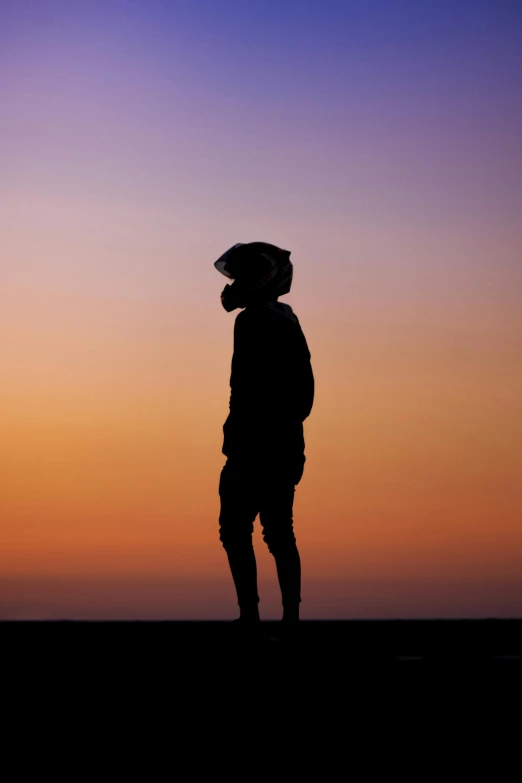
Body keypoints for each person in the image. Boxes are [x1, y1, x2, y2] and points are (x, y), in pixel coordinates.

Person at [215, 242, 314, 630]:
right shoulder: (288, 319)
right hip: (286, 442)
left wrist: (240, 440)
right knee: (279, 532)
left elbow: (244, 389)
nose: (234, 284)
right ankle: (290, 621)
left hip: (254, 445)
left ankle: (250, 619)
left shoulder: (254, 319)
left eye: (241, 275)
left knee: (236, 529)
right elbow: (303, 393)